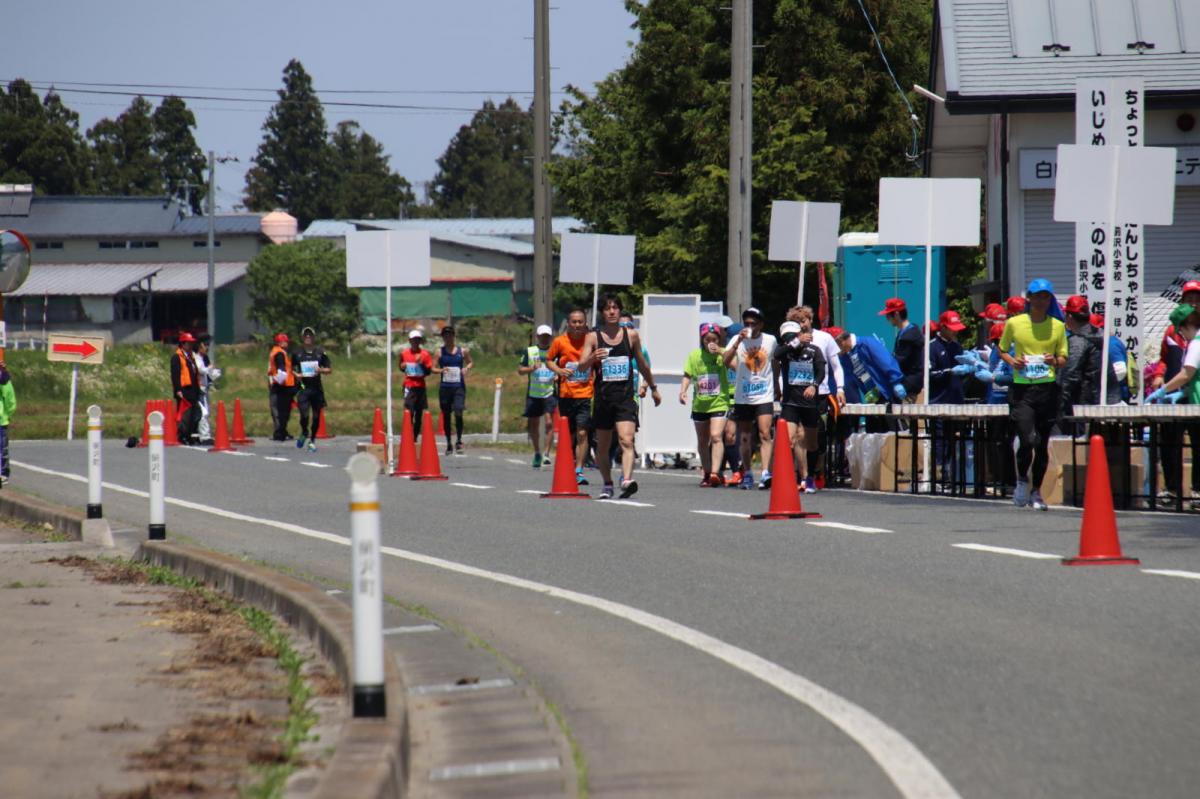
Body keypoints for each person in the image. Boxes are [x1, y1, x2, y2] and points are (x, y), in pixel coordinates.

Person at [578, 294, 661, 499]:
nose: (612, 311)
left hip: (625, 397)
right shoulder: (593, 337)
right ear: (602, 313)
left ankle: (626, 479)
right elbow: (580, 365)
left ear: (620, 310)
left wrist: (653, 387)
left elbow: (642, 364)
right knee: (603, 446)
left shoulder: (630, 335)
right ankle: (607, 484)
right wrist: (592, 358)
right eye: (608, 308)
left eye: (615, 308)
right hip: (603, 398)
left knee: (627, 439)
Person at [999, 279, 1068, 511]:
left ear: (1050, 299)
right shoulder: (1015, 323)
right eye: (1037, 296)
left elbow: (1063, 359)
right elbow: (1001, 348)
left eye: (1046, 296)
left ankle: (1037, 491)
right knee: (1027, 438)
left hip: (1047, 389)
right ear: (1029, 297)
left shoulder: (1058, 326)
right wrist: (1012, 361)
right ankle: (1021, 481)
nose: (1041, 300)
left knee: (1042, 443)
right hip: (1022, 389)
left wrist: (1053, 361)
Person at [1147, 302, 1200, 508]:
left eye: (1180, 329)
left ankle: (1196, 492)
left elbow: (1186, 374)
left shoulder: (1196, 343)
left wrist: (1163, 390)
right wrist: (1183, 393)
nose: (1180, 334)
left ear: (1188, 325)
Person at [723, 306, 777, 490]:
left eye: (753, 323)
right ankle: (746, 473)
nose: (750, 326)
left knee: (764, 433)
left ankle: (764, 473)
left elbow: (775, 362)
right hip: (743, 395)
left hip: (764, 394)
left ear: (761, 324)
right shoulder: (736, 340)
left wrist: (777, 385)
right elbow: (725, 360)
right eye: (746, 323)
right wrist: (738, 341)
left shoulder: (770, 340)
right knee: (745, 436)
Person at [774, 320, 826, 493]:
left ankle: (810, 477)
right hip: (790, 403)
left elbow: (821, 371)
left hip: (809, 403)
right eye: (786, 338)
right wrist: (794, 342)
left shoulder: (814, 351)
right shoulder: (786, 352)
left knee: (811, 443)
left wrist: (814, 385)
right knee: (787, 441)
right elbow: (776, 354)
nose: (789, 340)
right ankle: (790, 477)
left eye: (792, 336)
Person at [546, 309, 595, 485]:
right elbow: (549, 359)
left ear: (585, 323)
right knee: (569, 434)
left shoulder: (591, 341)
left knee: (583, 432)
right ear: (568, 323)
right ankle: (568, 465)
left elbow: (597, 363)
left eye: (580, 322)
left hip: (586, 394)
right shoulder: (560, 342)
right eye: (574, 322)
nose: (577, 325)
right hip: (566, 394)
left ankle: (579, 470)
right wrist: (559, 370)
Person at [1059, 296, 1120, 428]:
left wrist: (1059, 400)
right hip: (1110, 397)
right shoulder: (1100, 334)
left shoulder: (1078, 340)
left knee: (1086, 443)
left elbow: (1071, 374)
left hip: (1086, 402)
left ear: (1069, 316)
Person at [680, 322, 729, 487]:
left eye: (714, 339)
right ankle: (707, 473)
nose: (711, 343)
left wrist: (721, 351)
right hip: (700, 404)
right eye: (707, 340)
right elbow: (687, 375)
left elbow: (735, 364)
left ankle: (716, 472)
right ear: (702, 340)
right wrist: (683, 391)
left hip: (719, 402)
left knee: (716, 436)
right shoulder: (694, 355)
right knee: (702, 439)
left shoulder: (723, 355)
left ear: (719, 339)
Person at [518, 324, 558, 468]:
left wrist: (557, 376)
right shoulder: (530, 351)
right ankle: (537, 452)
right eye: (542, 336)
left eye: (547, 336)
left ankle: (546, 454)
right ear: (537, 337)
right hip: (534, 392)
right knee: (533, 424)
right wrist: (531, 368)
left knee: (548, 422)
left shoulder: (555, 351)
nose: (545, 339)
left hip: (549, 391)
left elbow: (561, 367)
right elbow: (520, 370)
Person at [433, 325, 472, 456]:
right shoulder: (439, 352)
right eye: (445, 335)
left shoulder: (462, 351)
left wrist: (466, 368)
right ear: (443, 337)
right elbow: (432, 368)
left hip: (458, 386)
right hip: (445, 387)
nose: (448, 337)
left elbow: (470, 362)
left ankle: (459, 440)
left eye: (450, 335)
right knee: (446, 415)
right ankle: (449, 442)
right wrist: (441, 370)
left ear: (454, 336)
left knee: (458, 410)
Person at [292, 326, 331, 452]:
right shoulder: (297, 353)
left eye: (310, 336)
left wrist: (321, 370)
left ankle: (312, 440)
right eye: (306, 336)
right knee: (304, 415)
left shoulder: (320, 352)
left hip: (316, 388)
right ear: (302, 337)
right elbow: (291, 368)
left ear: (313, 337)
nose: (308, 338)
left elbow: (329, 369)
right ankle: (304, 432)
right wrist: (296, 375)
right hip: (303, 388)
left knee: (316, 417)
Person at [880, 297, 924, 399]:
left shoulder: (909, 336)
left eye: (888, 315)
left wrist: (882, 353)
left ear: (896, 314)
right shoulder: (905, 332)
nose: (887, 319)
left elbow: (898, 361)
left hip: (909, 384)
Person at [399, 329, 433, 442]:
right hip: (409, 385)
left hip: (420, 385)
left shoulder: (425, 354)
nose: (415, 342)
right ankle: (408, 434)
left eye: (418, 340)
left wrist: (421, 363)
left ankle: (415, 436)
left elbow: (428, 372)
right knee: (409, 411)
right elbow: (401, 366)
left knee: (419, 413)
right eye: (413, 340)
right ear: (410, 341)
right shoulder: (404, 353)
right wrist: (402, 366)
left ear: (420, 341)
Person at [267, 332, 297, 441]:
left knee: (279, 410)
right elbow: (281, 370)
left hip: (282, 385)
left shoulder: (276, 352)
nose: (286, 343)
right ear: (280, 342)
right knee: (282, 410)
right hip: (283, 385)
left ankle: (281, 432)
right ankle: (281, 432)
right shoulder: (279, 353)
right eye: (284, 341)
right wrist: (278, 379)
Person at [172, 332, 201, 444]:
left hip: (193, 390)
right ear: (183, 344)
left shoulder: (190, 357)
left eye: (191, 343)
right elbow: (175, 375)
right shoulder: (177, 357)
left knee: (196, 412)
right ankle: (182, 436)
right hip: (184, 390)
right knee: (185, 415)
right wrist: (178, 390)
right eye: (189, 343)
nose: (191, 346)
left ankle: (189, 435)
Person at [192, 334, 220, 446]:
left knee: (204, 413)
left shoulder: (205, 358)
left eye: (208, 345)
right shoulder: (195, 357)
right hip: (197, 389)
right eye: (205, 345)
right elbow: (200, 370)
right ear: (199, 345)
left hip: (204, 389)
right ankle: (205, 436)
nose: (207, 347)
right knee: (203, 412)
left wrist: (214, 374)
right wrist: (208, 369)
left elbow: (209, 373)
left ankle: (198, 434)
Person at [0, 362, 16, 485]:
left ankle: (3, 474)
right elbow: (10, 402)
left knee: (2, 449)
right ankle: (3, 474)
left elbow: (10, 401)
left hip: (1, 421)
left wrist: (5, 415)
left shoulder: (3, 379)